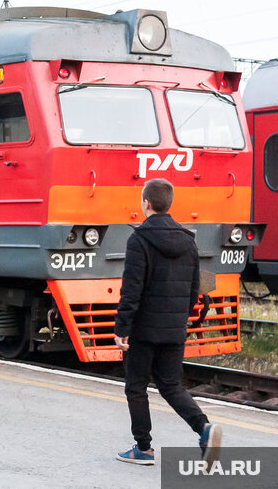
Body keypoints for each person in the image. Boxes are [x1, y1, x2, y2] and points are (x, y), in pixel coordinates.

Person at [114, 178, 221, 467]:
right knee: (171, 385)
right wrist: (180, 318)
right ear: (169, 204)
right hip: (174, 329)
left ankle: (143, 448)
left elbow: (131, 290)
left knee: (136, 386)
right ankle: (203, 427)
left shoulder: (139, 240)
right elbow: (194, 287)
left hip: (143, 330)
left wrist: (122, 329)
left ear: (146, 203)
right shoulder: (188, 240)